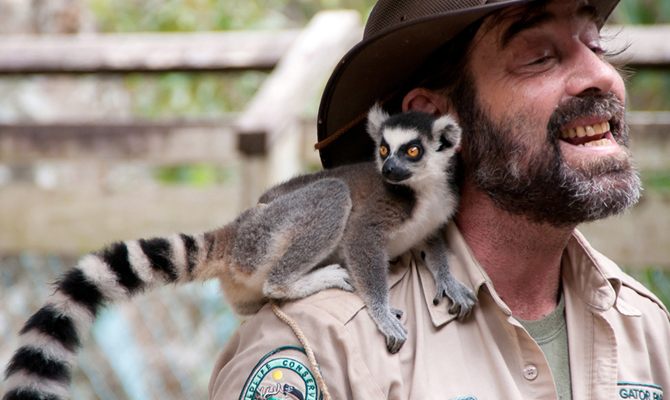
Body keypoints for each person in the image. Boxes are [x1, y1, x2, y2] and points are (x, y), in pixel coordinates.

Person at [209, 0, 670, 399]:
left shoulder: (644, 328)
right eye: (540, 57)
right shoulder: (324, 349)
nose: (601, 75)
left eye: (596, 45)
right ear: (436, 123)